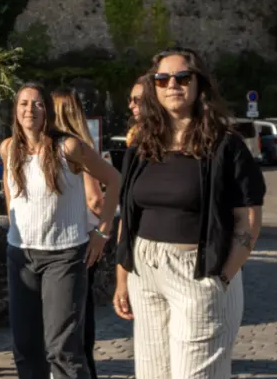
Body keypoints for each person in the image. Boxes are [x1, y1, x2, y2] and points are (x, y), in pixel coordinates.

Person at [109, 49, 265, 379]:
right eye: (162, 79)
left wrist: (220, 278)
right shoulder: (142, 145)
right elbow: (130, 215)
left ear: (199, 84)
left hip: (198, 272)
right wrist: (123, 277)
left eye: (182, 78)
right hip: (145, 272)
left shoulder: (225, 145)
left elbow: (248, 219)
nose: (172, 85)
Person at [2, 83, 120, 379]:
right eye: (24, 104)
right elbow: (11, 195)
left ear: (47, 111)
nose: (30, 109)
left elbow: (115, 180)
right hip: (21, 256)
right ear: (15, 111)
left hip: (64, 257)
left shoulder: (68, 147)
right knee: (26, 347)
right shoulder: (8, 149)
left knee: (62, 350)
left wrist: (102, 233)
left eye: (37, 104)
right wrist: (15, 229)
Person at [52, 88, 110, 371]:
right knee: (79, 315)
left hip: (78, 239)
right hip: (83, 237)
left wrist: (101, 231)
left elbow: (95, 199)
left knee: (74, 317)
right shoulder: (80, 145)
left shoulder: (72, 148)